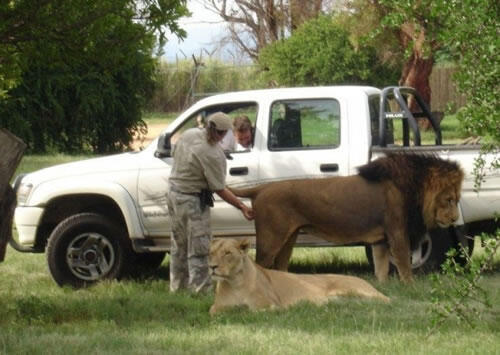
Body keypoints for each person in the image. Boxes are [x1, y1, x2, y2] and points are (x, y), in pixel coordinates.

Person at [166, 112, 254, 293]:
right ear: (222, 133)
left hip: (174, 195)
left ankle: (177, 288)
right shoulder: (212, 154)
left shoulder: (190, 134)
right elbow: (219, 188)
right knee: (199, 249)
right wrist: (242, 206)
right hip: (192, 201)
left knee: (178, 246)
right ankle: (200, 290)